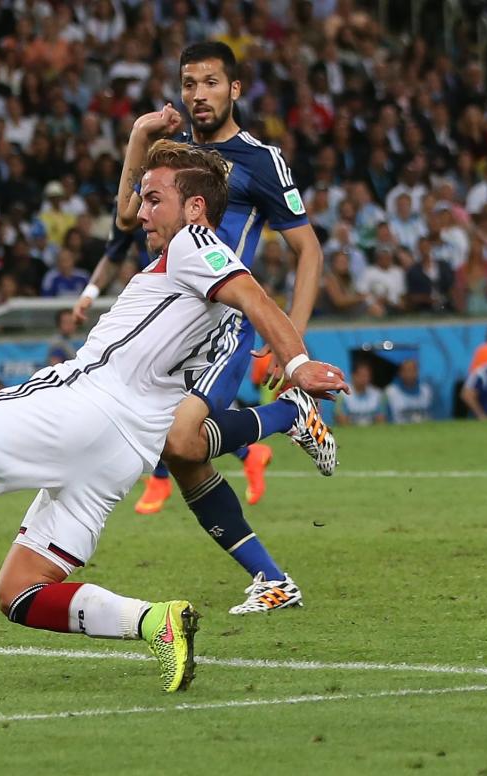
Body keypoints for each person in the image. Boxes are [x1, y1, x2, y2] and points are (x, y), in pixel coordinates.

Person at [0, 141, 347, 693]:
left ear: (196, 208)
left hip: (82, 402)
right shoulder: (192, 265)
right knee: (20, 592)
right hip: (125, 453)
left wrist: (296, 362)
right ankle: (155, 621)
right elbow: (246, 299)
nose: (142, 211)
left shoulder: (196, 244)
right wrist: (143, 140)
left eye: (155, 199)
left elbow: (254, 295)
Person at [75, 43, 332, 614]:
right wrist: (140, 138)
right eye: (190, 83)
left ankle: (293, 413)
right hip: (165, 325)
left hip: (223, 322)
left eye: (211, 83)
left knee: (181, 443)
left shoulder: (261, 160)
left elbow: (308, 250)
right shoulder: (172, 153)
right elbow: (124, 217)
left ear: (234, 89)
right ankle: (272, 581)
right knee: (185, 457)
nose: (198, 95)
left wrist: (293, 338)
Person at [336, 361, 386, 425]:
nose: (364, 379)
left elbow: (381, 421)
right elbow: (341, 421)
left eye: (367, 376)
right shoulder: (343, 394)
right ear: (353, 376)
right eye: (361, 375)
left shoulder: (377, 394)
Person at [385, 359, 434, 424]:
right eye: (406, 370)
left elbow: (434, 415)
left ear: (417, 372)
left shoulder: (426, 390)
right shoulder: (390, 392)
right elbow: (386, 419)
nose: (409, 374)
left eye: (412, 370)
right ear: (400, 373)